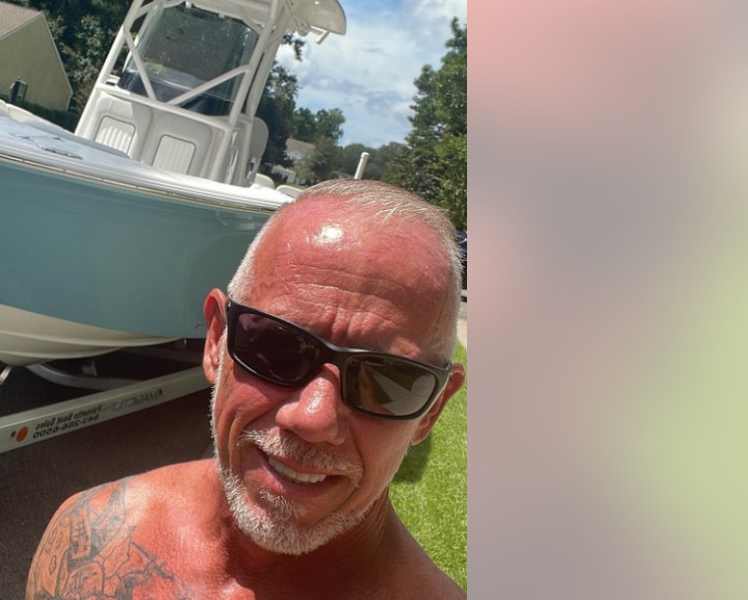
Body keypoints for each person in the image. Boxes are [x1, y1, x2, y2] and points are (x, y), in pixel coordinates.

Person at [26, 179, 467, 599]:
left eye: (386, 379)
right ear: (216, 340)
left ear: (431, 411)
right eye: (277, 346)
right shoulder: (91, 537)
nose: (312, 419)